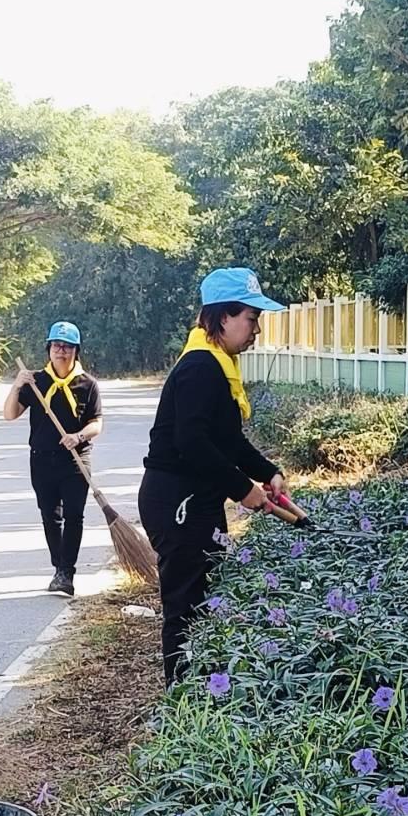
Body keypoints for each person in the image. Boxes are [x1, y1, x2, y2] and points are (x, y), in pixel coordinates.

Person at [138, 268, 286, 686]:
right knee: (186, 604)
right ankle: (181, 698)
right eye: (251, 318)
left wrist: (268, 473)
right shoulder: (200, 368)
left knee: (208, 595)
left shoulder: (217, 365)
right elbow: (192, 444)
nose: (256, 329)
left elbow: (228, 441)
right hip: (177, 502)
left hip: (197, 498)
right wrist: (243, 490)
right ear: (223, 318)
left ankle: (203, 689)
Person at [4, 321, 103, 597]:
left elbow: (96, 423)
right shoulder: (35, 382)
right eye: (57, 346)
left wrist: (78, 436)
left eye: (67, 347)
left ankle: (66, 572)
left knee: (74, 515)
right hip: (41, 460)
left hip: (75, 460)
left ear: (76, 351)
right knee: (50, 516)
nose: (61, 351)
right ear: (49, 349)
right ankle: (58, 567)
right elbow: (10, 414)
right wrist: (16, 386)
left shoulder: (88, 384)